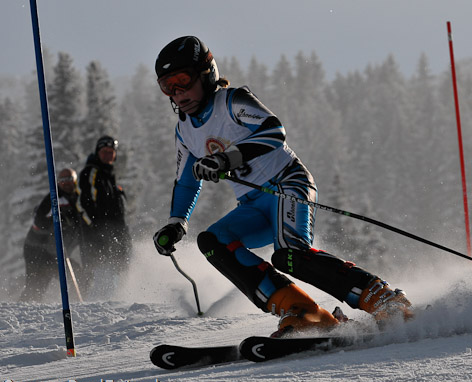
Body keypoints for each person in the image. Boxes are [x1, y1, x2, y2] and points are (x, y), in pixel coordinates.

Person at [152, 36, 413, 337]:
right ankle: (303, 312)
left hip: (287, 183)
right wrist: (176, 223)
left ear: (206, 72)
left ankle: (384, 300)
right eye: (167, 86)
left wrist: (227, 159)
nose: (177, 92)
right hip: (253, 205)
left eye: (183, 80)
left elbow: (274, 131)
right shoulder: (184, 130)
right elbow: (186, 181)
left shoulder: (232, 101)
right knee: (213, 241)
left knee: (290, 254)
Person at [78, 135, 132, 293]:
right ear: (97, 152)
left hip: (116, 233)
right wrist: (97, 228)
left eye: (111, 152)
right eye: (104, 152)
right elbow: (83, 203)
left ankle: (118, 297)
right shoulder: (91, 172)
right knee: (100, 276)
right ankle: (95, 302)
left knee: (119, 271)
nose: (108, 155)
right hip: (97, 236)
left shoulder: (109, 175)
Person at [20, 168, 83, 302]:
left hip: (55, 252)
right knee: (36, 286)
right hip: (37, 249)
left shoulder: (76, 198)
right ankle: (20, 313)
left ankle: (75, 306)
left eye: (69, 179)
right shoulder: (54, 197)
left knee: (81, 275)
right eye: (62, 180)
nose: (66, 183)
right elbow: (39, 220)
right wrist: (58, 220)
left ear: (75, 181)